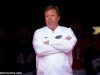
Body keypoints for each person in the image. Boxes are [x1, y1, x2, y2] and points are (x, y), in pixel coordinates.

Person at [32, 5, 77, 75]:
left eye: (52, 15)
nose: (49, 18)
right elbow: (39, 50)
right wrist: (62, 42)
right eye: (47, 16)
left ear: (58, 18)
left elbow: (68, 47)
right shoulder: (38, 32)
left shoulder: (67, 31)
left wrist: (47, 42)